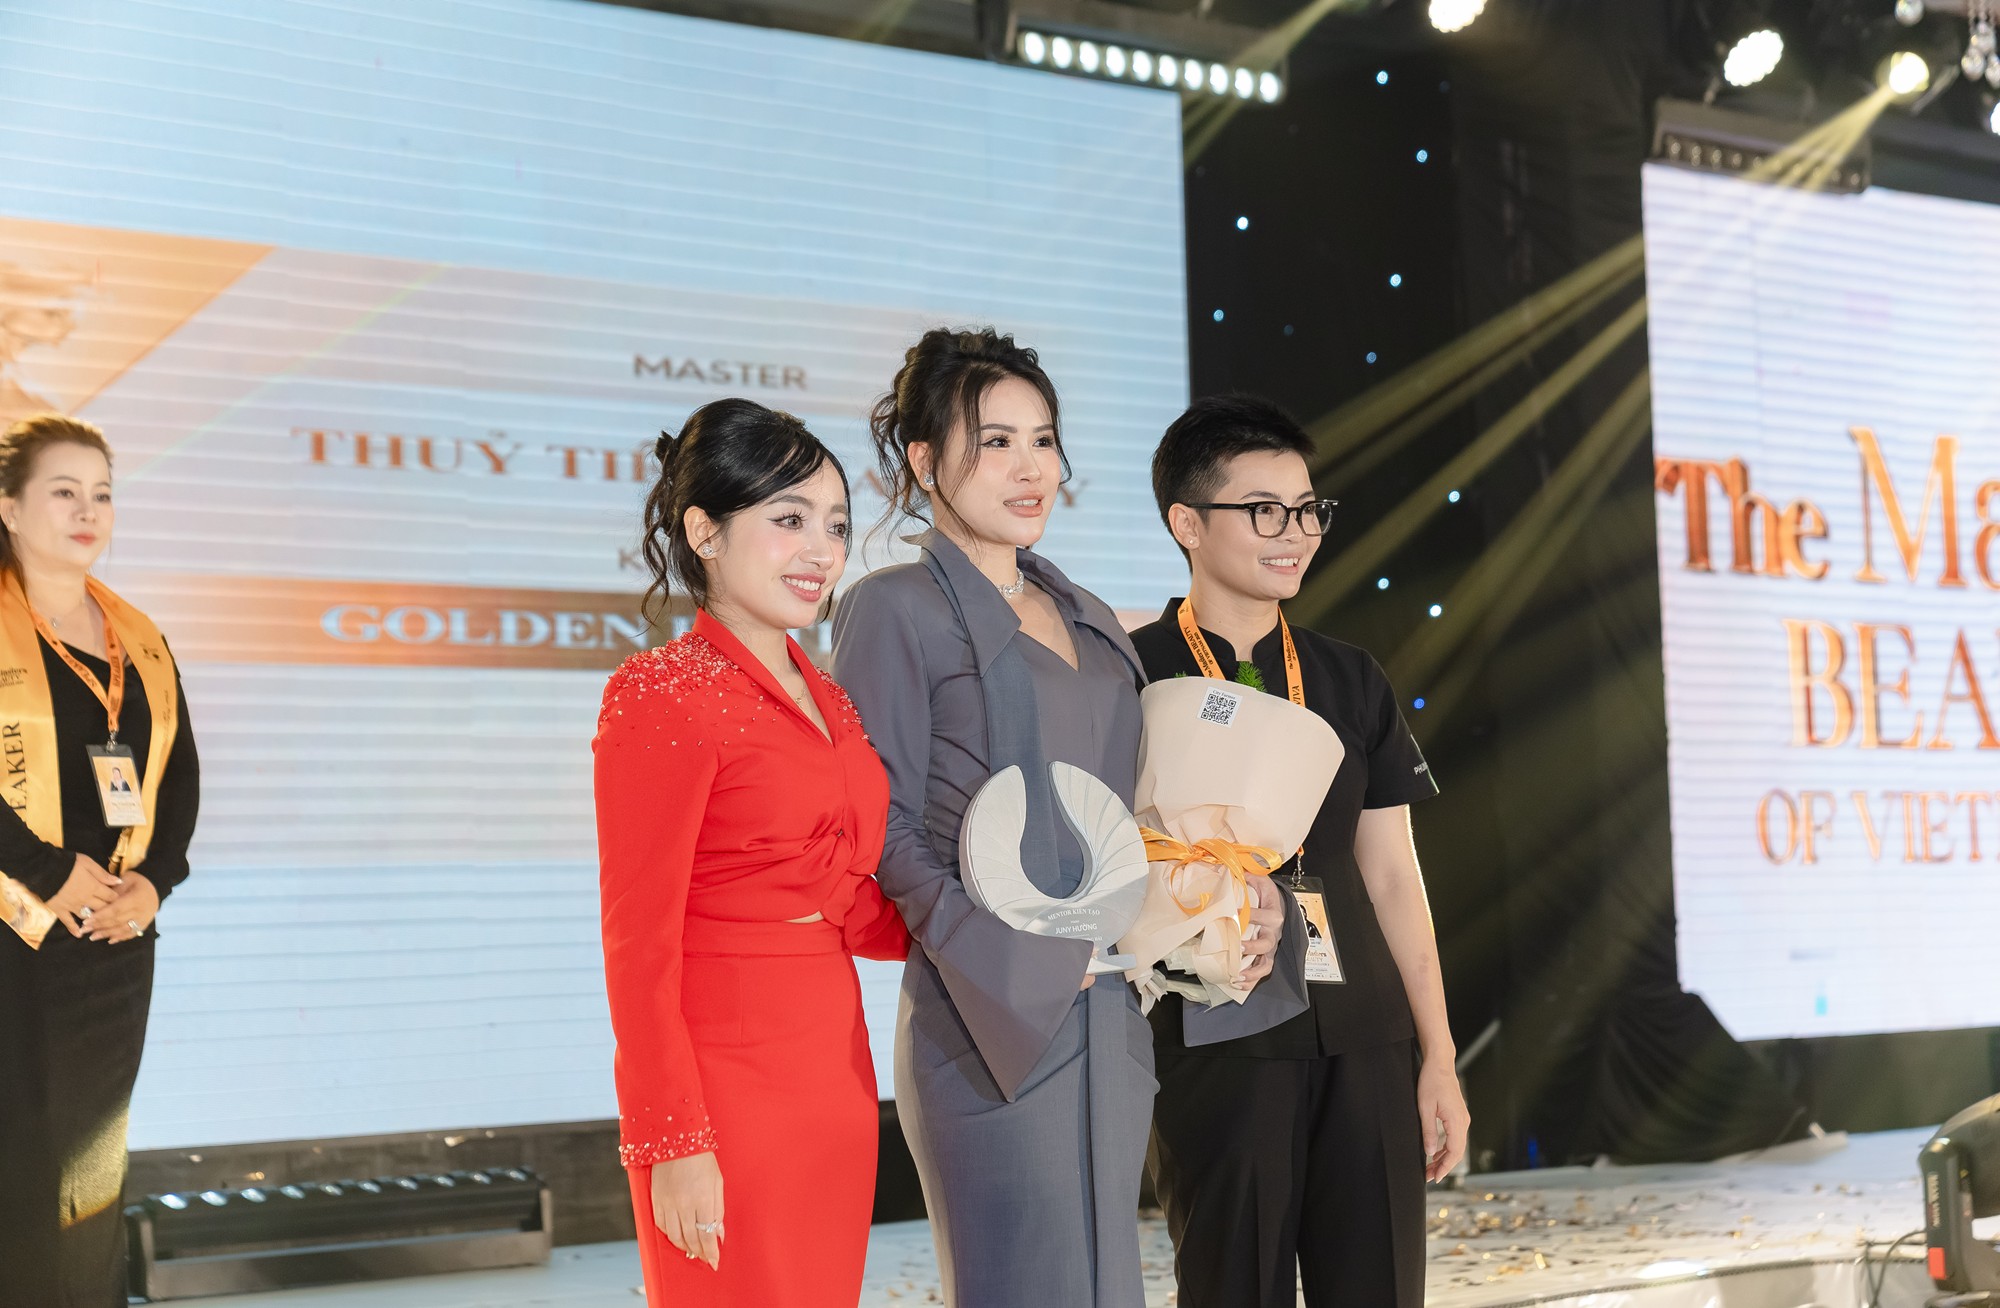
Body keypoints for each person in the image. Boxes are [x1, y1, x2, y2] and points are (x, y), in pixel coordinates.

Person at [830, 329, 1290, 1308]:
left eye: (1042, 439)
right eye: (995, 442)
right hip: (985, 1022)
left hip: (1110, 1015)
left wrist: (1218, 898)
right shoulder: (891, 608)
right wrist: (1012, 961)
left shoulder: (1083, 612)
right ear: (924, 460)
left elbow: (1133, 808)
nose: (1030, 466)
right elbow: (880, 826)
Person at [1130, 394, 1470, 1308]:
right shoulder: (1133, 670)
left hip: (1364, 1034)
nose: (1296, 535)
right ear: (1187, 523)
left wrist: (1437, 1054)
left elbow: (1393, 876)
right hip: (1214, 1035)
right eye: (1264, 511)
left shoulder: (1350, 676)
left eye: (1308, 510)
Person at [593, 398, 908, 1307]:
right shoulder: (660, 692)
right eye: (789, 520)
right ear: (705, 532)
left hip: (832, 1071)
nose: (821, 550)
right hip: (720, 1086)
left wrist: (999, 928)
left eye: (836, 525)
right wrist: (672, 1139)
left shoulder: (833, 701)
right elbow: (637, 940)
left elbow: (852, 899)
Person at [0, 413, 201, 1308]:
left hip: (113, 938)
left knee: (89, 1175)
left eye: (103, 494)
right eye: (64, 491)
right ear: (9, 508)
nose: (89, 511)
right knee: (22, 1170)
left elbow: (179, 774)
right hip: (16, 935)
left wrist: (155, 882)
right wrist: (46, 870)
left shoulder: (137, 635)